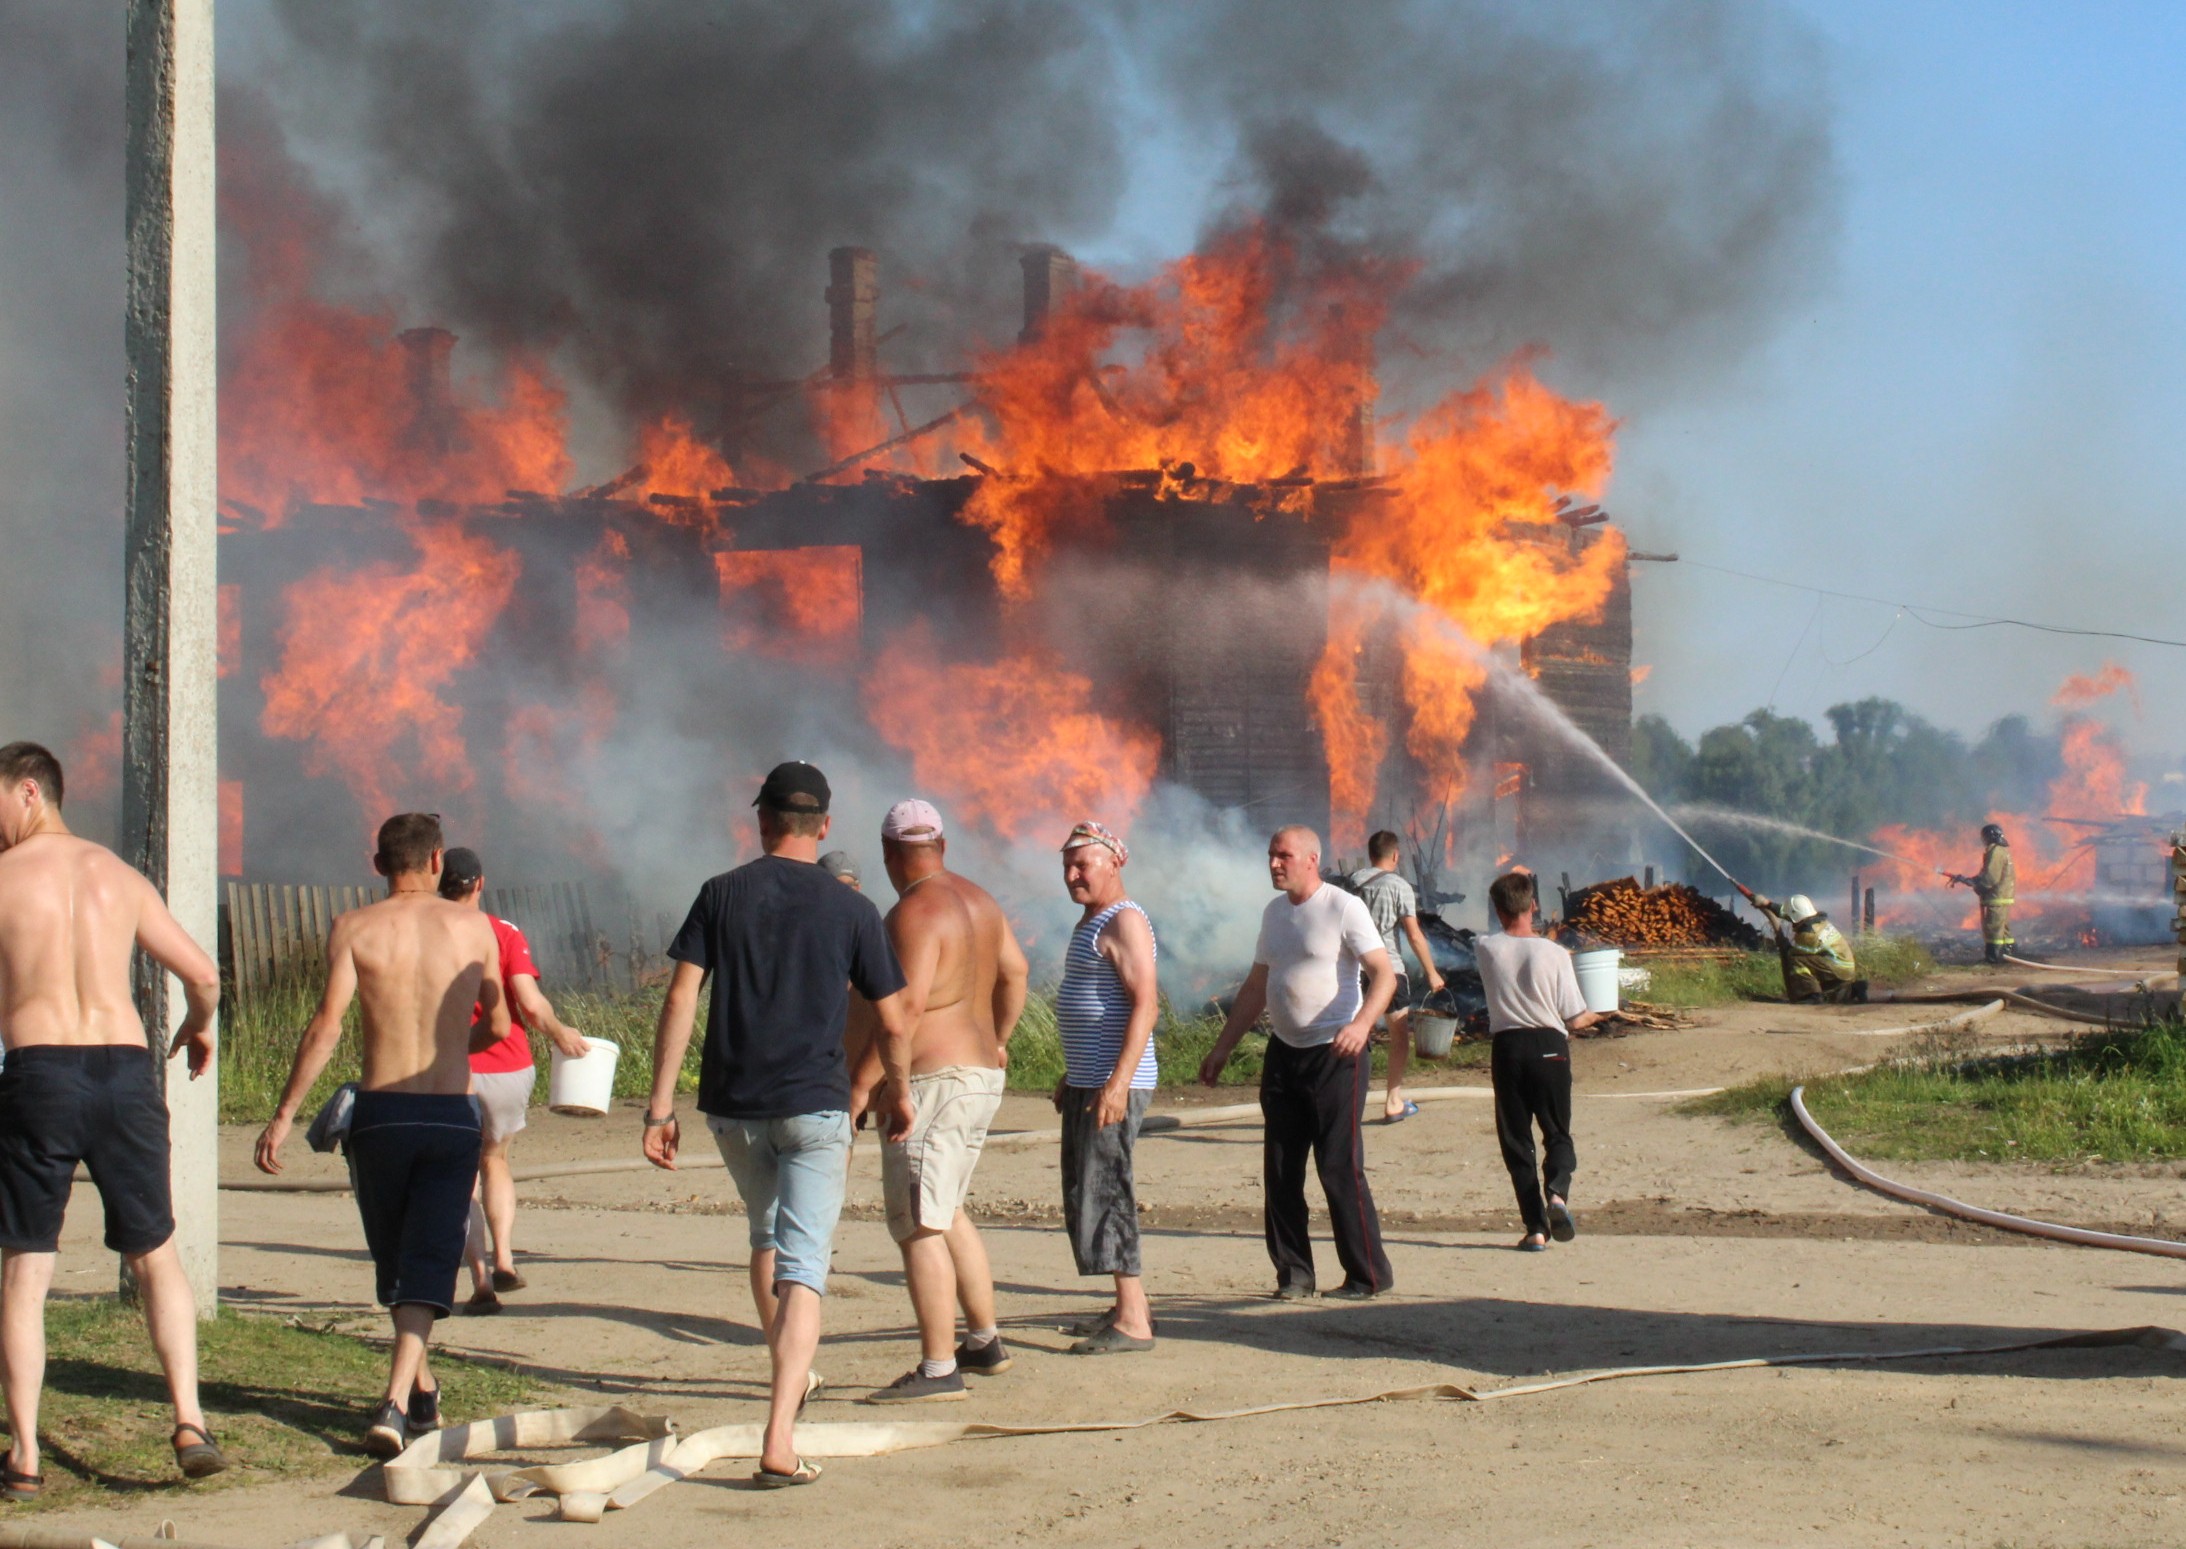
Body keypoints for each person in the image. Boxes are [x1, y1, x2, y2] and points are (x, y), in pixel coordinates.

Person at [643, 762, 913, 1486]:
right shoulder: (851, 908)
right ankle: (780, 1435)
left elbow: (681, 999)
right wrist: (902, 1091)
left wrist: (660, 1104)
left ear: (760, 823)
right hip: (816, 1108)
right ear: (824, 825)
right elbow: (894, 1015)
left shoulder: (719, 894)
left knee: (766, 1238)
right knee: (804, 1264)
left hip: (733, 1110)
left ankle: (786, 1376)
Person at [0, 742, 230, 1497]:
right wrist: (200, 1024)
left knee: (26, 1270)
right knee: (156, 1253)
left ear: (29, 792)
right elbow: (203, 972)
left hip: (41, 1074)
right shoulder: (119, 876)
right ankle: (190, 1419)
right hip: (125, 1074)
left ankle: (27, 1455)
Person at [255, 813, 510, 1457]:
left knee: (398, 1257)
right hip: (450, 1113)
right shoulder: (475, 927)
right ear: (437, 862)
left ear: (378, 866)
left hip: (382, 1115)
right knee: (417, 1262)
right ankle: (413, 1391)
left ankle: (401, 1401)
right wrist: (456, 1043)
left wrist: (285, 1112)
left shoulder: (354, 928)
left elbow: (326, 1026)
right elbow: (501, 1023)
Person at [857, 800, 1029, 1403]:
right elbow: (1017, 973)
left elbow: (900, 1013)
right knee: (948, 1207)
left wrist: (865, 1087)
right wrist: (1000, 1041)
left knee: (919, 1223)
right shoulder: (980, 901)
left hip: (933, 1084)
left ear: (887, 854)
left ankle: (937, 1369)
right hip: (980, 1076)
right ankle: (983, 1342)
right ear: (943, 846)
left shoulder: (914, 912)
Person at [1199, 825, 1397, 1300]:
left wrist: (1362, 1025)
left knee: (1338, 1166)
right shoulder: (1273, 914)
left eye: (1283, 855)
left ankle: (1367, 1275)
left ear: (1312, 859)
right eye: (1270, 855)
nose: (1273, 863)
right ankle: (1294, 1274)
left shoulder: (1342, 907)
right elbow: (1255, 987)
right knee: (1282, 1169)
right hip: (1285, 1053)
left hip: (1337, 1054)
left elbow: (1384, 974)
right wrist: (1222, 1047)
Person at [436, 848, 591, 1313]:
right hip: (507, 1067)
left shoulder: (426, 933)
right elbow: (531, 1002)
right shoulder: (504, 933)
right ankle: (505, 1257)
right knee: (496, 1160)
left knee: (461, 1175)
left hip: (450, 1065)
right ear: (480, 884)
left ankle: (481, 1281)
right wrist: (562, 1033)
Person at [1052, 820, 1160, 1353]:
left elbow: (1146, 1004)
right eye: (1068, 866)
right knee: (1084, 1190)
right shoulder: (1092, 922)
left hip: (1116, 1084)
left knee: (1107, 1190)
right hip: (1089, 1081)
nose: (1073, 875)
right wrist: (1070, 1076)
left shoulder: (1126, 920)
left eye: (1084, 865)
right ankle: (1124, 1307)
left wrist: (1116, 1085)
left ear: (1114, 862)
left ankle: (1134, 1321)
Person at [1472, 871, 1601, 1252]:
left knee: (1517, 1140)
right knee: (1557, 1131)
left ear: (1496, 910)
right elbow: (1575, 1017)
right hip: (1550, 1046)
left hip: (1508, 1047)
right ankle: (1558, 1193)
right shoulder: (1555, 953)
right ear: (1535, 906)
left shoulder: (1485, 947)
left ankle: (1535, 1229)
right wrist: (1602, 1011)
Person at [1348, 831, 1448, 1122]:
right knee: (1398, 1035)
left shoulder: (1353, 882)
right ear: (1395, 855)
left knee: (1356, 1032)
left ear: (1370, 854)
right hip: (1388, 970)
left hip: (1355, 969)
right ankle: (1393, 1101)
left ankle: (1346, 1101)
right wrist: (1431, 972)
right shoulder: (1399, 885)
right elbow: (1414, 935)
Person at [1739, 887, 1866, 1003]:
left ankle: (1812, 996)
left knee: (1797, 961)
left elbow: (1792, 954)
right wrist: (1767, 903)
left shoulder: (1808, 934)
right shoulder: (1817, 921)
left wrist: (1781, 943)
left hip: (1839, 968)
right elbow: (1788, 913)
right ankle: (1853, 990)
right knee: (1830, 995)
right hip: (1843, 966)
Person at [1950, 824, 2016, 965]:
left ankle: (1993, 958)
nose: (1983, 840)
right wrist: (1971, 880)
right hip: (2000, 896)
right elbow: (1986, 874)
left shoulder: (1996, 852)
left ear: (1989, 836)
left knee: (1993, 927)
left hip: (1996, 896)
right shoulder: (2000, 851)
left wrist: (1979, 886)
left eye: (1984, 837)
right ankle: (2008, 953)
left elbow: (1991, 878)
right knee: (2002, 927)